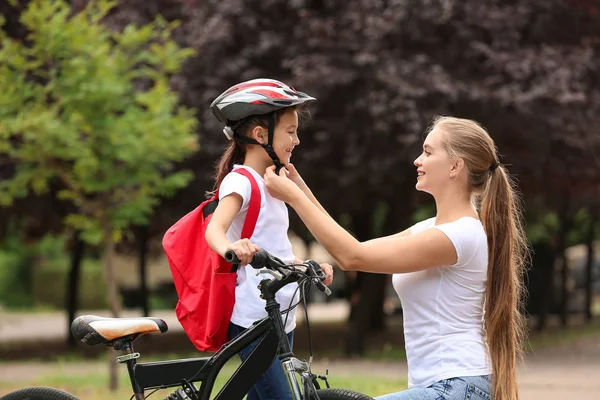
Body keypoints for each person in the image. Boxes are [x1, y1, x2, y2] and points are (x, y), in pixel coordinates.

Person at [264, 116, 529, 400]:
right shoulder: (430, 229)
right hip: (443, 386)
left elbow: (352, 256)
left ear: (455, 166)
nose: (418, 160)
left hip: (457, 386)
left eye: (428, 152)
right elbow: (353, 248)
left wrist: (294, 198)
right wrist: (300, 186)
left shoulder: (460, 236)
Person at [204, 78, 334, 400]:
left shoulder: (274, 182)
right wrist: (231, 248)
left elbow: (276, 248)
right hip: (252, 319)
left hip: (279, 314)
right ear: (261, 135)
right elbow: (214, 229)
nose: (297, 140)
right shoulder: (242, 180)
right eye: (290, 131)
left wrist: (308, 266)